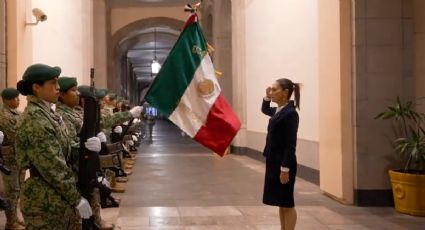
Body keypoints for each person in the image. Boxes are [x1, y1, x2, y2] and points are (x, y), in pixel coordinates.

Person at [15, 64, 94, 229]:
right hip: (43, 201)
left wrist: (85, 146)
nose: (58, 87)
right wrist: (76, 198)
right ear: (37, 87)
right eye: (53, 83)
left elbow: (64, 146)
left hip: (56, 196)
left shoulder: (50, 114)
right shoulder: (35, 120)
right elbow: (53, 167)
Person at [57, 77, 114, 230]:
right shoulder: (62, 115)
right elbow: (67, 144)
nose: (76, 95)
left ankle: (95, 220)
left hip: (82, 163)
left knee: (92, 193)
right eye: (73, 91)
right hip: (75, 167)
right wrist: (85, 146)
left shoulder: (73, 112)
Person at [261, 78, 300, 230]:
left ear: (285, 93)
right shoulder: (279, 110)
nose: (272, 92)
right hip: (273, 161)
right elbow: (265, 110)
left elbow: (290, 145)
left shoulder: (290, 114)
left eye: (274, 90)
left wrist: (285, 169)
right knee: (281, 202)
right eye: (271, 90)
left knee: (287, 203)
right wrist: (267, 97)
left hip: (283, 164)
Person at [0, 88, 25, 230]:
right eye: (16, 98)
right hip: (9, 159)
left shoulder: (16, 113)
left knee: (18, 189)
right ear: (7, 100)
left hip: (18, 158)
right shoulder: (4, 116)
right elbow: (18, 134)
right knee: (11, 191)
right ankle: (10, 222)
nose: (18, 100)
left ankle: (16, 217)